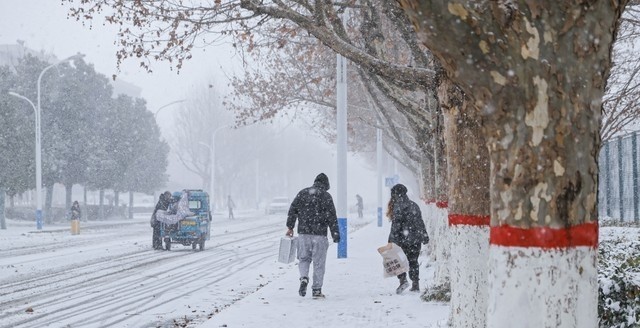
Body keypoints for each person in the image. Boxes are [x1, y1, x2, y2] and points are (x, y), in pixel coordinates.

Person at [286, 173, 340, 299]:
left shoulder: (303, 193)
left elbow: (292, 210)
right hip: (319, 235)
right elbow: (332, 217)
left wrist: (290, 227)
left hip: (303, 234)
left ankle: (304, 277)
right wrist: (335, 233)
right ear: (326, 185)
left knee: (304, 259)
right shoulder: (326, 196)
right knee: (319, 263)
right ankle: (316, 290)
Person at [387, 183, 429, 294]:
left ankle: (403, 280)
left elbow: (396, 226)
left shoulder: (397, 207)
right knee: (413, 261)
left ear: (395, 194)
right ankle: (415, 284)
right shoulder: (414, 205)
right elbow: (420, 222)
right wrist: (424, 235)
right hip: (415, 240)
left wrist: (391, 240)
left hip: (402, 240)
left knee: (397, 260)